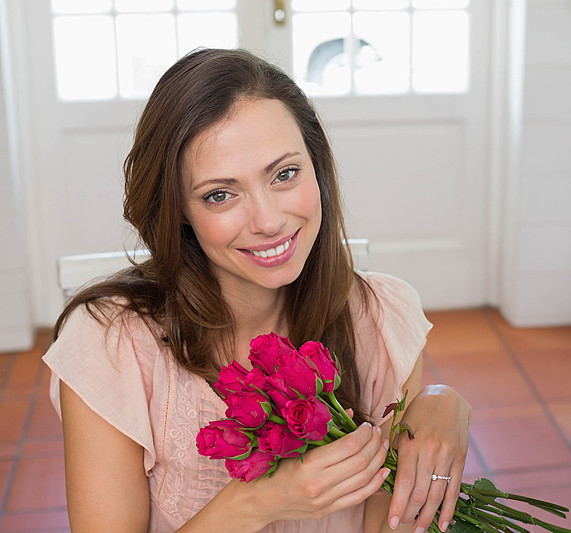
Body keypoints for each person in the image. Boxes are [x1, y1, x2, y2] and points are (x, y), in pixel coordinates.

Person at [43, 48, 472, 533]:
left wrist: (441, 399)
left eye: (284, 174)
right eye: (219, 194)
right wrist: (259, 502)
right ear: (179, 209)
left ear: (318, 168)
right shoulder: (111, 345)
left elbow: (389, 523)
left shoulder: (378, 319)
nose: (268, 222)